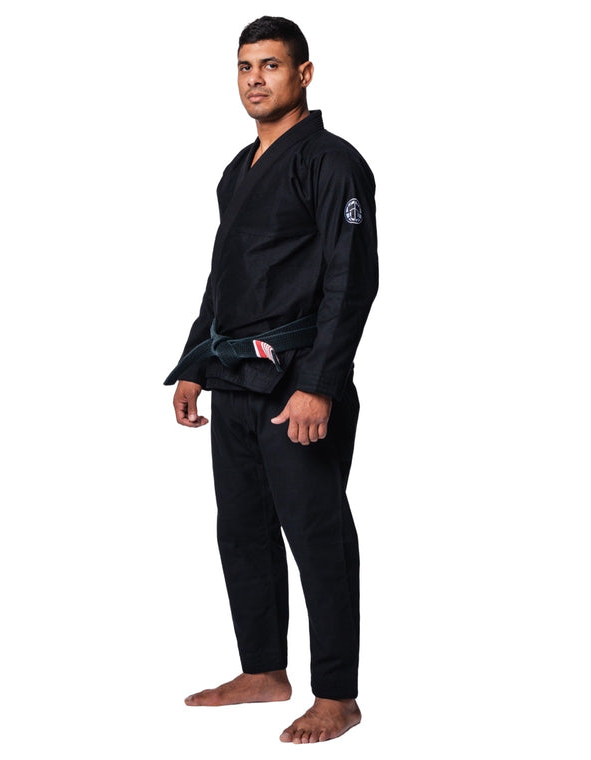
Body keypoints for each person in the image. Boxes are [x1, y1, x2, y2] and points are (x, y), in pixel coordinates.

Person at [165, 16, 378, 743]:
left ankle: (338, 694)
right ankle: (263, 670)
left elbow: (352, 281)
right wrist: (195, 364)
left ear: (303, 74)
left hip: (298, 385)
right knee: (243, 529)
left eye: (271, 65)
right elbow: (223, 279)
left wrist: (320, 384)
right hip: (234, 381)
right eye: (245, 66)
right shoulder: (237, 170)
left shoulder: (333, 163)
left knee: (317, 534)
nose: (255, 79)